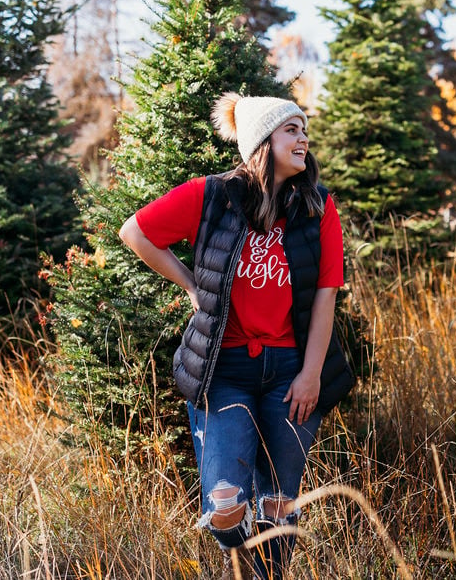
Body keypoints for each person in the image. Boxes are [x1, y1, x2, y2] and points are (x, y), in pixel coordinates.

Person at [118, 92, 352, 579]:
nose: (303, 138)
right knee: (225, 503)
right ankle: (247, 566)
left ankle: (267, 576)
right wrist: (192, 285)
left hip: (290, 371)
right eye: (291, 129)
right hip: (224, 371)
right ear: (261, 141)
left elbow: (326, 295)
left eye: (304, 129)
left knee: (281, 505)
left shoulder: (318, 206)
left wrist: (311, 374)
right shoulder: (211, 196)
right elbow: (135, 232)